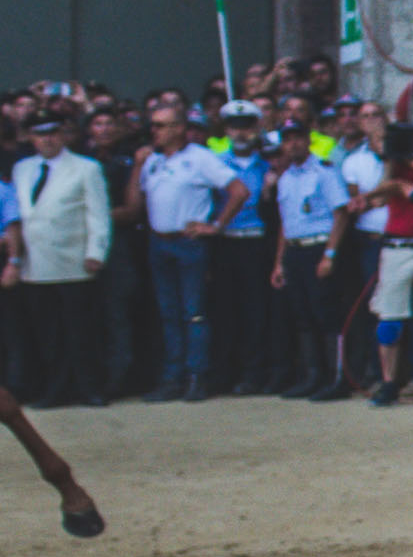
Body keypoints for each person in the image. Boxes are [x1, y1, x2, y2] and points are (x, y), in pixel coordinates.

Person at [136, 104, 246, 402]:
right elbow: (140, 199)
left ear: (178, 128)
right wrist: (137, 165)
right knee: (168, 313)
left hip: (189, 243)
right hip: (159, 242)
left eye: (161, 126)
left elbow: (239, 190)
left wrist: (216, 225)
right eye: (154, 125)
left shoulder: (200, 158)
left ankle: (197, 375)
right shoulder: (152, 161)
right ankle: (173, 377)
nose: (154, 131)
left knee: (193, 313)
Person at [4, 111, 112, 408]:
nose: (47, 139)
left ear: (63, 134)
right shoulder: (23, 168)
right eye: (40, 134)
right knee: (48, 333)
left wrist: (95, 252)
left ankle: (90, 388)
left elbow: (98, 215)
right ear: (31, 138)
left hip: (73, 260)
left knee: (81, 331)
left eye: (52, 132)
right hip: (36, 264)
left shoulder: (85, 168)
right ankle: (55, 389)